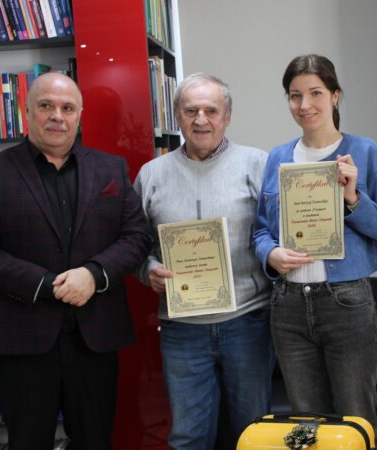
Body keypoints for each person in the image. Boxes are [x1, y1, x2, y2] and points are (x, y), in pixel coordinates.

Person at [0, 72, 152, 449]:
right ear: (27, 111)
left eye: (67, 108)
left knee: (96, 442)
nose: (57, 116)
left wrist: (94, 274)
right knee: (28, 442)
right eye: (46, 106)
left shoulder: (111, 169)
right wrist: (47, 285)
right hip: (23, 338)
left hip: (95, 337)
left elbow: (137, 236)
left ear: (79, 115)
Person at [253, 54, 377, 437]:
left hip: (347, 304)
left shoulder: (365, 153)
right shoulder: (277, 158)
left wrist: (353, 199)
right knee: (306, 428)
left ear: (335, 95)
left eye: (315, 93)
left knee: (356, 422)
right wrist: (270, 254)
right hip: (288, 307)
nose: (304, 105)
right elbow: (260, 231)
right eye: (295, 95)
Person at [133, 73, 273, 449]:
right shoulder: (151, 175)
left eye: (211, 110)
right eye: (190, 110)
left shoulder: (257, 164)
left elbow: (275, 236)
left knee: (254, 434)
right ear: (177, 115)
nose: (201, 120)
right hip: (182, 329)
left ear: (227, 116)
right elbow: (133, 245)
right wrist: (148, 269)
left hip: (247, 320)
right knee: (187, 437)